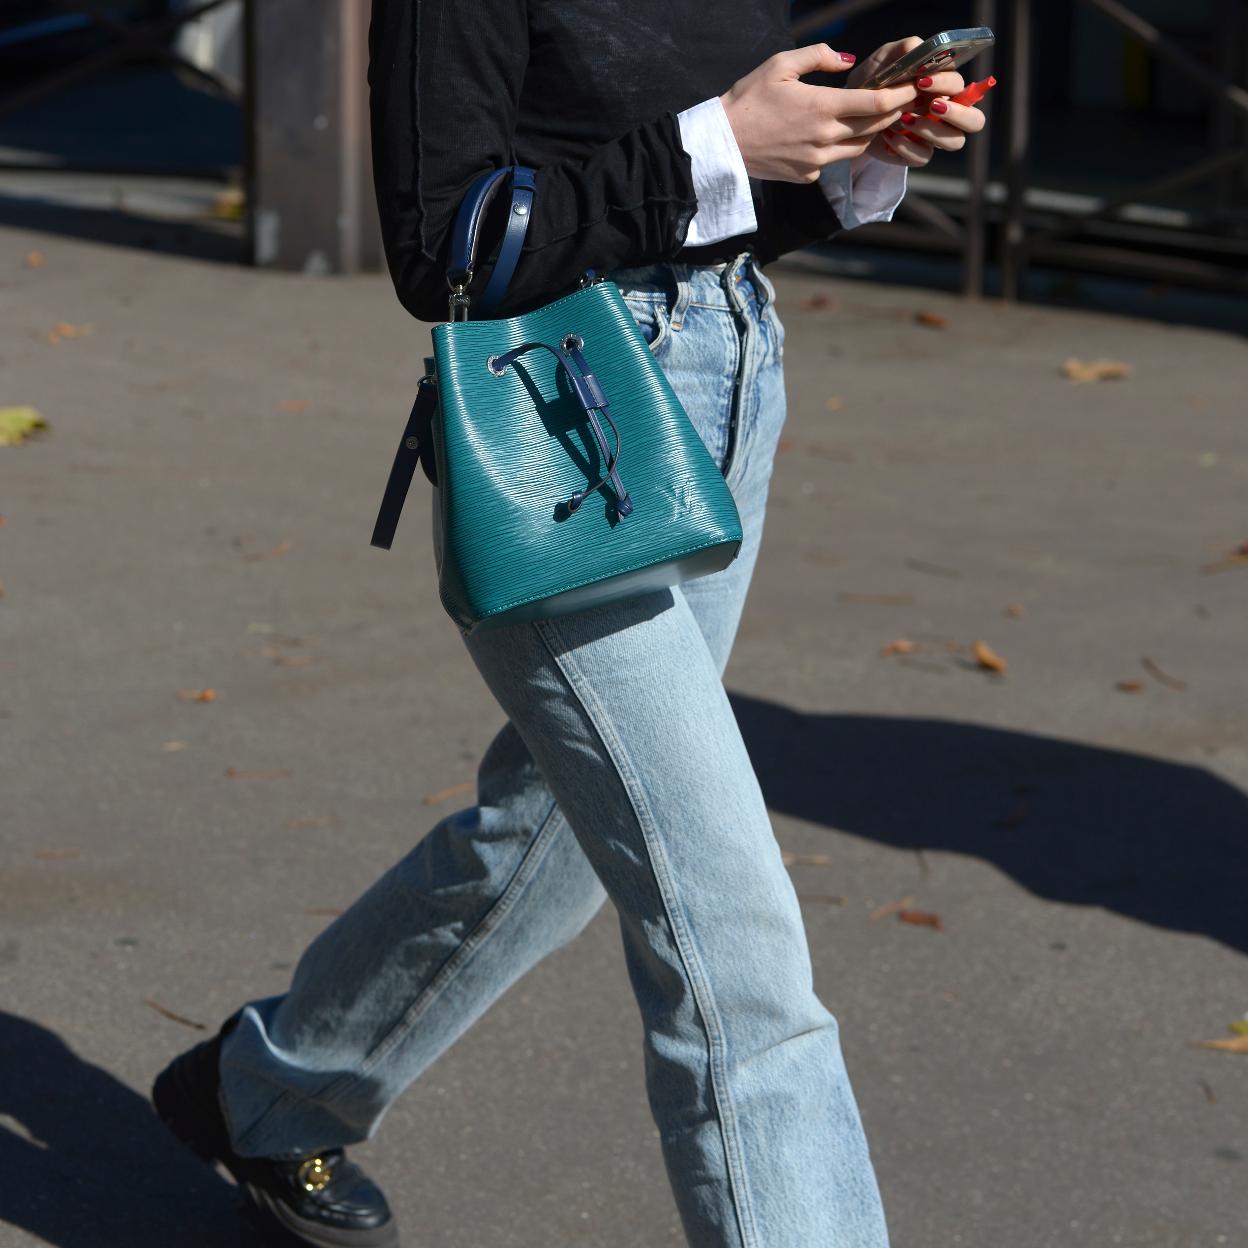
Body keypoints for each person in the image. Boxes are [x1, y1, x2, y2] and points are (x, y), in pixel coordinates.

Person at [152, 6, 986, 1246]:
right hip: (563, 418)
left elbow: (698, 198)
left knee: (547, 843)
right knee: (737, 958)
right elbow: (446, 247)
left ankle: (273, 1091)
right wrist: (720, 141)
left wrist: (842, 145)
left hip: (727, 382)